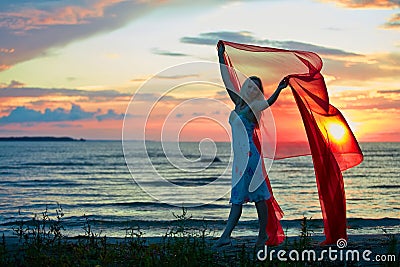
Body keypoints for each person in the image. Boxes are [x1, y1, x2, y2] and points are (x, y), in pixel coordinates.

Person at [214, 42, 288, 248]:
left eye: (255, 87)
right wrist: (221, 57)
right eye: (249, 84)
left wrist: (279, 90)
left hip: (250, 159)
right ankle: (226, 236)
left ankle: (261, 236)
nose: (250, 88)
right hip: (239, 161)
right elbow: (227, 80)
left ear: (257, 92)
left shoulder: (255, 107)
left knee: (259, 198)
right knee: (237, 199)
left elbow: (268, 103)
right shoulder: (238, 103)